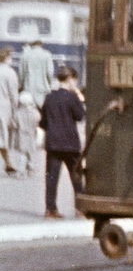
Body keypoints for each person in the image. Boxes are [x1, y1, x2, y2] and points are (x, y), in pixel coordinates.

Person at [39, 65, 85, 218]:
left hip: (53, 143)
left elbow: (43, 122)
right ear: (70, 79)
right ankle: (81, 208)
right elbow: (80, 115)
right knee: (76, 176)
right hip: (70, 143)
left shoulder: (49, 97)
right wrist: (78, 96)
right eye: (75, 80)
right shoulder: (72, 97)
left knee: (51, 177)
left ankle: (50, 209)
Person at [18, 38, 54, 110]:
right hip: (43, 90)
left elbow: (21, 74)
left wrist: (21, 86)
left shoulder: (25, 55)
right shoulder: (47, 55)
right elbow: (50, 73)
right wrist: (50, 85)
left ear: (32, 46)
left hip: (28, 88)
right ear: (41, 46)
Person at [0, 49, 18, 175]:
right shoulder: (9, 73)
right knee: (2, 136)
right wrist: (15, 110)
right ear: (7, 57)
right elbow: (13, 94)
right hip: (4, 106)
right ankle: (8, 163)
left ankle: (8, 163)